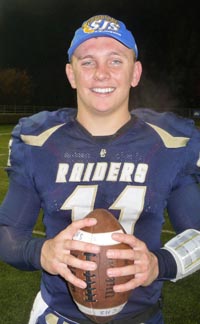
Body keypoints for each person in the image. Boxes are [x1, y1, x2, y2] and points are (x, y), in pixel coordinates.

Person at [0, 14, 200, 324]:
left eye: (115, 61)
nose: (102, 74)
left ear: (135, 72)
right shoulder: (38, 140)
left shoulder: (169, 142)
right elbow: (7, 234)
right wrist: (43, 253)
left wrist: (158, 263)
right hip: (58, 316)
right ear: (71, 74)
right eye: (88, 62)